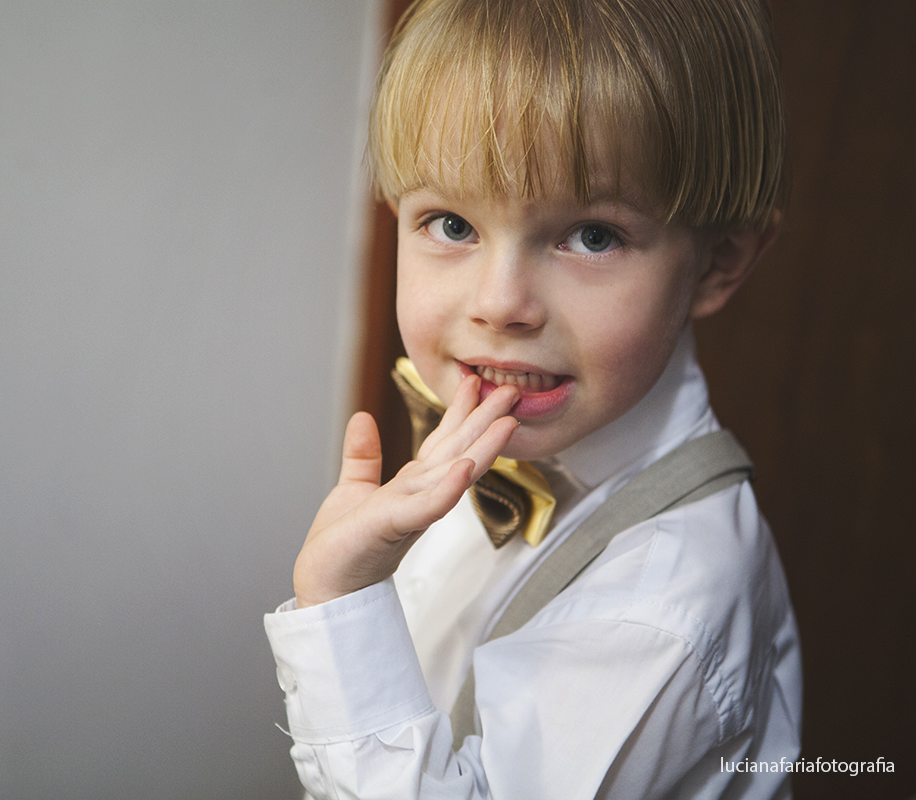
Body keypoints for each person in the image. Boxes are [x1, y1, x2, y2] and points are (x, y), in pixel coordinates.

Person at [263, 0, 801, 797]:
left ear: (718, 264)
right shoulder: (496, 434)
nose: (500, 303)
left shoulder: (660, 609)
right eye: (451, 223)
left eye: (591, 236)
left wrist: (341, 603)